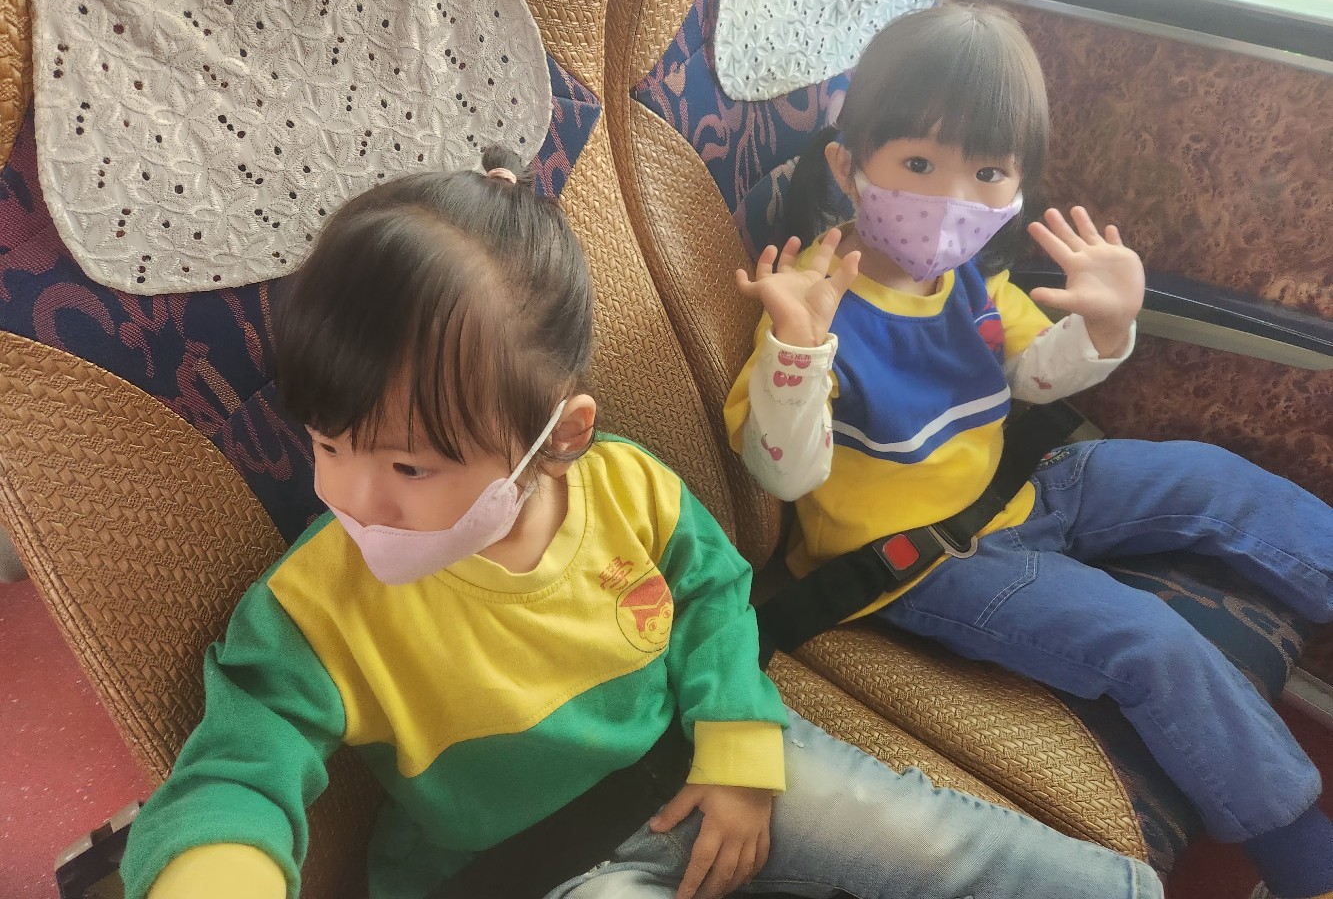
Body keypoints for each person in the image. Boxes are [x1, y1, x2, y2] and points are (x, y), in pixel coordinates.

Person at [119, 148, 1162, 899]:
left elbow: (713, 595)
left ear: (559, 436)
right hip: (549, 866)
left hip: (702, 755)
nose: (354, 496)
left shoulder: (627, 488)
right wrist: (217, 870)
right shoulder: (314, 605)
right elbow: (237, 772)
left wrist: (737, 751)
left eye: (408, 465)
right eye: (326, 442)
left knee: (938, 847)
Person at [725, 2, 1333, 899]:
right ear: (850, 169)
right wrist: (796, 354)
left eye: (987, 173)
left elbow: (1033, 376)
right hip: (924, 559)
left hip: (1023, 489)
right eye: (919, 165)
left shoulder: (967, 276)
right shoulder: (812, 302)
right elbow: (782, 471)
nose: (952, 200)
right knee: (1147, 642)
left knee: (1213, 478)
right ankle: (1303, 860)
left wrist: (1106, 327)